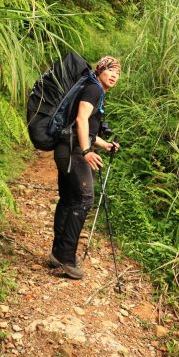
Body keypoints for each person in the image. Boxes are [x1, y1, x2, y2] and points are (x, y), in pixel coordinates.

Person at [49, 56, 121, 279]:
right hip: (73, 152)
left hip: (66, 148)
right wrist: (87, 151)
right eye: (110, 70)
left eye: (117, 72)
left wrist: (104, 145)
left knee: (69, 199)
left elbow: (85, 129)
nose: (114, 75)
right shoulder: (94, 90)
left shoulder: (91, 88)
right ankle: (67, 259)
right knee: (84, 199)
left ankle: (57, 253)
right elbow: (81, 120)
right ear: (99, 70)